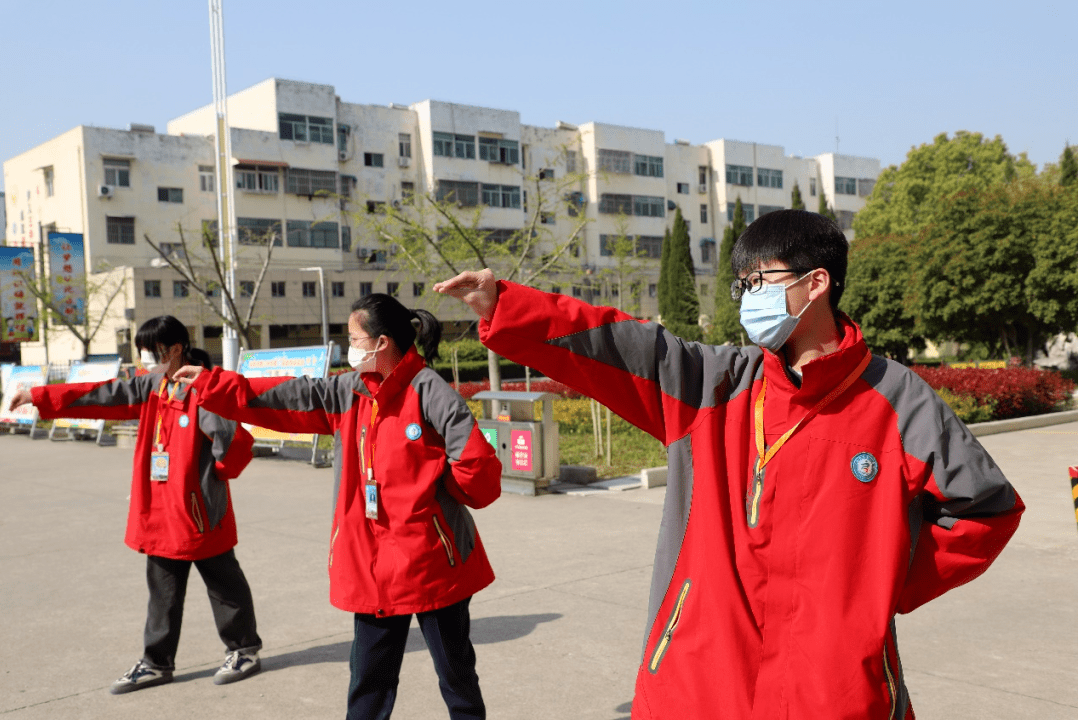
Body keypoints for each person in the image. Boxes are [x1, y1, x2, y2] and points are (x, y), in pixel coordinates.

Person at [434, 209, 1024, 720]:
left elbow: (986, 510)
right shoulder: (712, 384)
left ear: (817, 283)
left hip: (835, 691)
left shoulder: (897, 400)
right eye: (742, 285)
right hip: (699, 680)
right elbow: (619, 343)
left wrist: (869, 590)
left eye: (758, 281)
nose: (746, 298)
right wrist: (509, 306)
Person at [173, 295, 502, 720]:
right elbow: (285, 396)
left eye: (354, 338)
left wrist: (439, 493)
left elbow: (479, 469)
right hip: (373, 565)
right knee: (368, 682)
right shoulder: (348, 390)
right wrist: (214, 383)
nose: (349, 347)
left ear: (381, 343)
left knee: (456, 675)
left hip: (433, 564)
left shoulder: (430, 392)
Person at [10, 316, 261, 694]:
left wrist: (211, 481)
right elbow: (101, 394)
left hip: (199, 512)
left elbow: (235, 443)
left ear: (176, 349)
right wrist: (39, 396)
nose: (145, 357)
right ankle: (156, 663)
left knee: (224, 583)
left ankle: (244, 650)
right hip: (160, 510)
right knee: (162, 591)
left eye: (151, 350)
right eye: (142, 350)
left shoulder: (204, 389)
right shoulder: (151, 385)